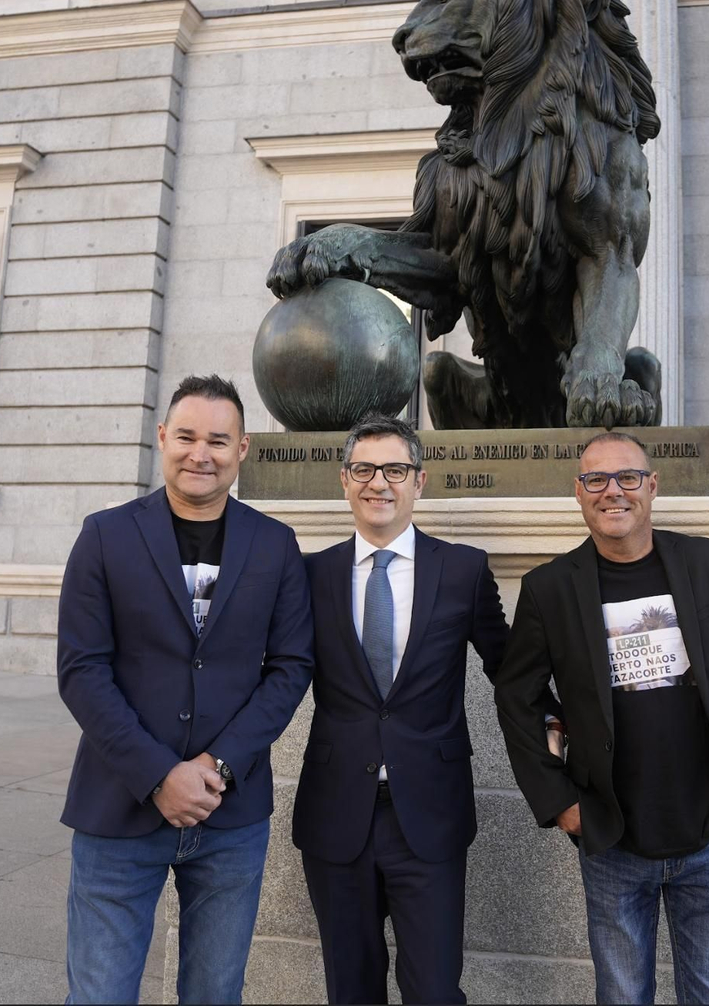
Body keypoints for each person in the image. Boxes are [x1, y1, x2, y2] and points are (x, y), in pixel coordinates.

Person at [494, 432, 709, 1005]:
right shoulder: (549, 589)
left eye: (627, 477)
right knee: (623, 996)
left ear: (651, 486)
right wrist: (560, 804)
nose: (613, 492)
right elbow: (517, 700)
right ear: (578, 493)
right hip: (613, 839)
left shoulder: (708, 563)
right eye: (595, 480)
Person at [56, 374, 314, 1005]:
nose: (203, 453)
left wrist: (215, 765)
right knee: (99, 996)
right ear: (164, 437)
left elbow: (290, 667)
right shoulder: (104, 536)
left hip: (231, 815)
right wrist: (157, 773)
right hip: (118, 808)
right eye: (189, 437)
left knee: (214, 994)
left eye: (219, 441)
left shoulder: (275, 545)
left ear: (243, 449)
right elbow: (81, 671)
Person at [292, 413, 517, 1004]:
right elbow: (275, 675)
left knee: (436, 991)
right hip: (337, 813)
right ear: (344, 480)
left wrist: (558, 723)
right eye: (363, 469)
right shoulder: (310, 575)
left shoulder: (463, 570)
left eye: (395, 468)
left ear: (420, 481)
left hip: (430, 815)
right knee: (351, 989)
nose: (378, 482)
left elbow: (510, 671)